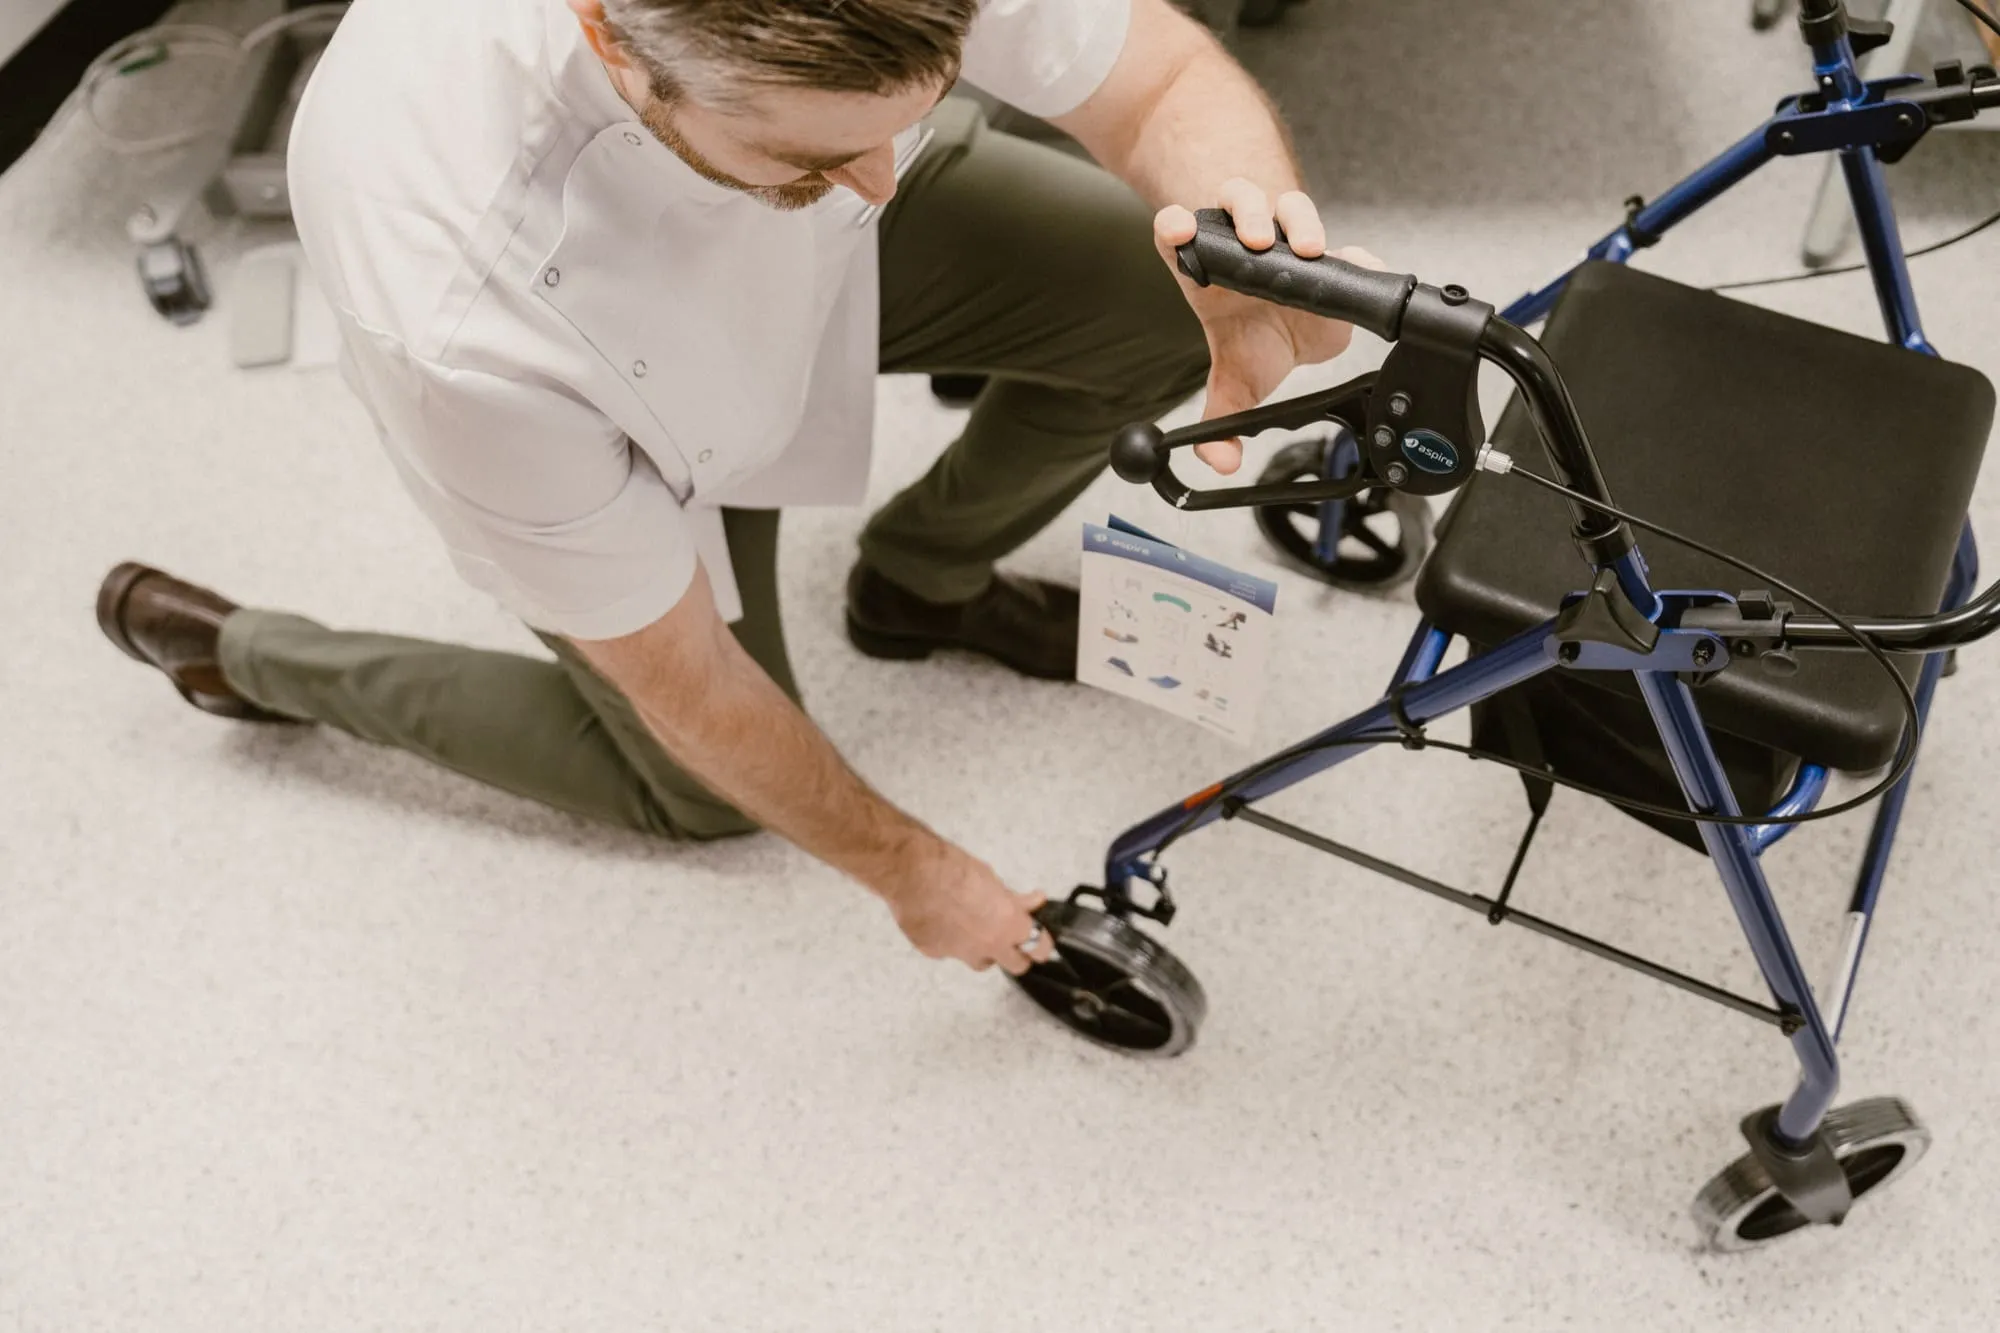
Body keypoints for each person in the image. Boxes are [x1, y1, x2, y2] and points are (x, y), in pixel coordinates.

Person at [96, 0, 1366, 979]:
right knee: (697, 790)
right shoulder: (460, 327)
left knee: (1148, 314)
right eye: (817, 149)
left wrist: (1243, 239)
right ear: (611, 34)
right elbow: (685, 678)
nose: (880, 179)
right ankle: (252, 657)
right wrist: (913, 870)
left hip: (777, 207)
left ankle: (919, 585)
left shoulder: (841, 134)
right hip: (621, 395)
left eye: (903, 118)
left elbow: (1157, 79)